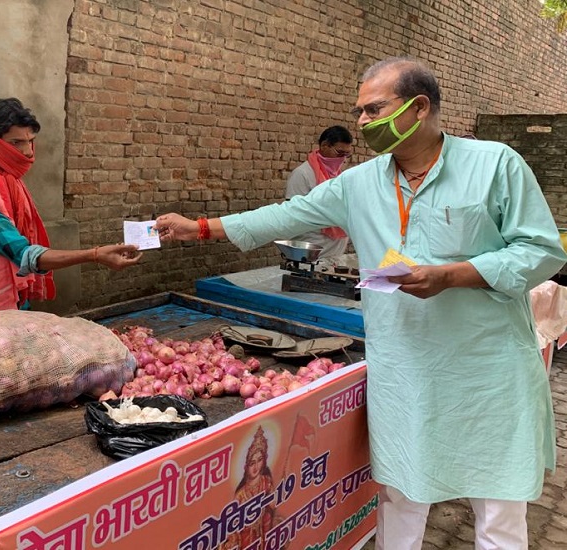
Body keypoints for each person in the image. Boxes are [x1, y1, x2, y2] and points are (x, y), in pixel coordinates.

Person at [155, 57, 567, 549]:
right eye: (360, 112)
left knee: (497, 505)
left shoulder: (495, 164)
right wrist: (199, 227)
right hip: (405, 365)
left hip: (485, 366)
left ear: (418, 108)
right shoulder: (359, 182)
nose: (362, 123)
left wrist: (454, 275)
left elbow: (541, 250)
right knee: (399, 497)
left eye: (374, 110)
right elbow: (285, 215)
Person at [0, 98, 141, 311]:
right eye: (16, 143)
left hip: (16, 302)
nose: (28, 152)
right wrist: (94, 255)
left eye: (30, 141)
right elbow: (23, 254)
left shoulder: (9, 184)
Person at [285, 125, 353, 264]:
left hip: (336, 250)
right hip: (311, 249)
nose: (343, 159)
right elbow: (293, 213)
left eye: (347, 155)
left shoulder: (340, 175)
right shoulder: (303, 174)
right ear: (324, 146)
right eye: (340, 153)